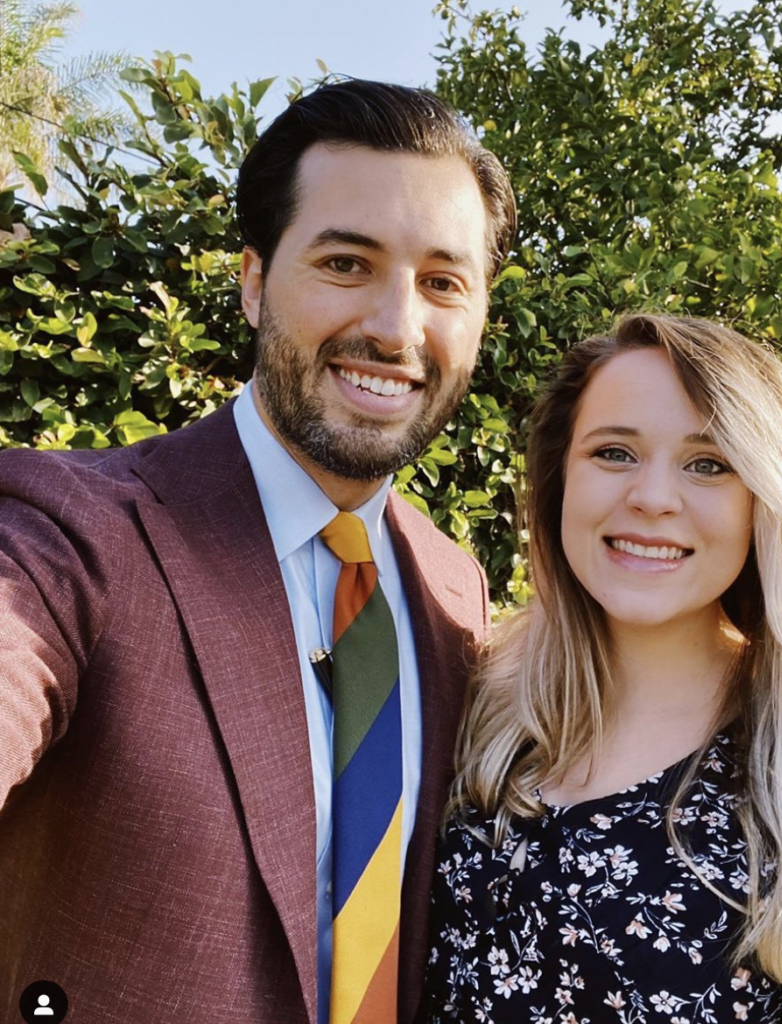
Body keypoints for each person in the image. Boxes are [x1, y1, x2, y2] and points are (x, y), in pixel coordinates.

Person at [0, 79, 516, 1024]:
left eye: (443, 282)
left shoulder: (454, 590)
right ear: (251, 281)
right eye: (347, 262)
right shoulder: (73, 531)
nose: (396, 329)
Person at [420, 313, 782, 1023]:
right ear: (559, 482)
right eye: (614, 453)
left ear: (765, 501)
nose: (652, 497)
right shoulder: (480, 711)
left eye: (708, 464)